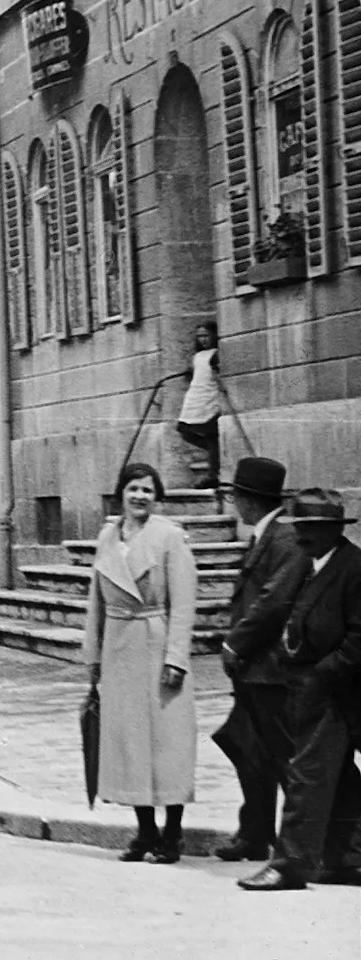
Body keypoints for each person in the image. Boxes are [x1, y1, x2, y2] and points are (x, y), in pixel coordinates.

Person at [236, 488, 361, 891]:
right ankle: (348, 859)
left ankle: (290, 864)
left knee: (306, 773)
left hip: (335, 689)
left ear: (333, 530)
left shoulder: (353, 567)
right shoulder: (311, 562)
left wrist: (324, 673)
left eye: (311, 528)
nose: (302, 535)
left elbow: (359, 638)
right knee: (338, 776)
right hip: (310, 684)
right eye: (300, 526)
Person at [84, 462, 198, 863]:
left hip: (156, 643)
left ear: (157, 496)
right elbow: (95, 600)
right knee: (129, 743)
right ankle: (145, 830)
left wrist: (177, 657)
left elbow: (184, 603)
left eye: (148, 491)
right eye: (133, 489)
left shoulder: (170, 537)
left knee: (168, 741)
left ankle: (173, 832)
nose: (140, 497)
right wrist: (93, 657)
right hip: (119, 648)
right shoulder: (106, 536)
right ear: (120, 494)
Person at [215, 455, 300, 862]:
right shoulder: (268, 535)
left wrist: (235, 644)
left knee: (282, 759)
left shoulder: (282, 540)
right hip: (254, 671)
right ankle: (255, 833)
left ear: (247, 500)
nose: (233, 503)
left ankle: (295, 844)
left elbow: (272, 603)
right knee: (250, 751)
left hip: (269, 672)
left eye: (235, 496)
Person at [175, 321, 222, 489]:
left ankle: (212, 473)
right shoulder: (197, 356)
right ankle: (216, 452)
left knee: (211, 434)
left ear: (214, 336)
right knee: (185, 431)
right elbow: (194, 372)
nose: (203, 340)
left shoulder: (215, 354)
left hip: (209, 397)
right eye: (200, 336)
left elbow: (217, 374)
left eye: (206, 336)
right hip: (195, 397)